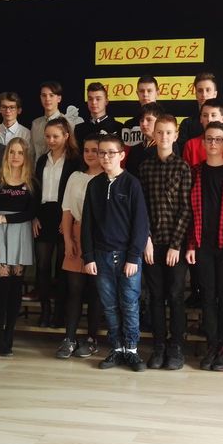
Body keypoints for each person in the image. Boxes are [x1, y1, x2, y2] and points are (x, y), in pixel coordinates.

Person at [82, 134, 149, 372]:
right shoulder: (94, 185)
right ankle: (117, 348)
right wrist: (88, 256)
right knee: (109, 305)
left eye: (111, 152)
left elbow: (140, 224)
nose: (106, 157)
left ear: (121, 155)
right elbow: (87, 224)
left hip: (127, 257)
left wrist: (133, 257)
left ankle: (131, 349)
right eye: (102, 152)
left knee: (129, 303)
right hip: (101, 255)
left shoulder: (132, 184)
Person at [185, 122, 223, 371]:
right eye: (209, 139)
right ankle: (212, 345)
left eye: (218, 139)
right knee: (207, 297)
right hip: (202, 245)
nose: (213, 143)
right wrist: (191, 245)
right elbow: (190, 213)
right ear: (202, 142)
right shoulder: (195, 172)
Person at [139, 114, 193, 370]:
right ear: (153, 134)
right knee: (155, 296)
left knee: (175, 295)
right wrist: (147, 239)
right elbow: (141, 209)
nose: (163, 137)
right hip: (152, 243)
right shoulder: (145, 167)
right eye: (159, 132)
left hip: (175, 244)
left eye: (168, 132)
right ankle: (159, 345)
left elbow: (186, 208)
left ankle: (176, 346)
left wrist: (175, 245)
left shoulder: (182, 167)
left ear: (176, 135)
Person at [0, 138, 37, 357]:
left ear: (25, 156)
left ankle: (9, 333)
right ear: (6, 154)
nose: (16, 156)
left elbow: (31, 212)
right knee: (1, 287)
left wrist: (4, 219)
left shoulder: (31, 181)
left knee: (15, 288)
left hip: (20, 234)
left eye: (20, 153)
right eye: (12, 152)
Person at [58, 135, 105, 359]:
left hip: (100, 237)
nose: (90, 154)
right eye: (87, 150)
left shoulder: (109, 177)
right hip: (76, 234)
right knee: (74, 289)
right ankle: (69, 338)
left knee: (95, 290)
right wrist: (68, 240)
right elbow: (67, 210)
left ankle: (92, 338)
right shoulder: (75, 177)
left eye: (95, 150)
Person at [32, 118, 81, 328]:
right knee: (42, 266)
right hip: (43, 214)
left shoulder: (75, 160)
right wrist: (34, 216)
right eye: (48, 136)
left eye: (55, 136)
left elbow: (76, 192)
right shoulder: (42, 160)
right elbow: (35, 189)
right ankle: (45, 311)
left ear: (66, 136)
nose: (51, 140)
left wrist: (68, 219)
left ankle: (59, 313)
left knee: (62, 268)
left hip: (64, 214)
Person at [181, 99, 223, 167]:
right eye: (205, 115)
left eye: (213, 115)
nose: (209, 119)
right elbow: (186, 172)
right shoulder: (191, 145)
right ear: (201, 119)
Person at [178, 72, 223, 142]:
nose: (204, 94)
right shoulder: (187, 124)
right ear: (196, 94)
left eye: (208, 90)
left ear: (215, 94)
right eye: (200, 91)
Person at [75, 82, 123, 146]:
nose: (93, 102)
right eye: (90, 99)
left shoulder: (118, 127)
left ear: (106, 101)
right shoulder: (79, 129)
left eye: (98, 99)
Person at [124, 102, 163, 178]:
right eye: (141, 120)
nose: (144, 124)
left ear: (159, 121)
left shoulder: (168, 147)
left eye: (149, 120)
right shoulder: (134, 149)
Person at [31, 81, 65, 161]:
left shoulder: (66, 123)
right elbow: (32, 152)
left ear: (59, 98)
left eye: (51, 95)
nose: (47, 99)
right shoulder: (35, 123)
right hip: (37, 167)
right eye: (44, 95)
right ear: (40, 98)